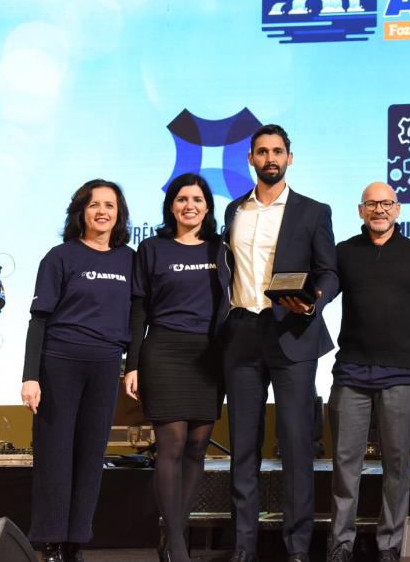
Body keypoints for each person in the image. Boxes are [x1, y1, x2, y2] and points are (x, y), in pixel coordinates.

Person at [222, 123, 338, 562]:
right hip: (242, 335)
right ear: (250, 159)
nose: (270, 158)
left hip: (293, 333)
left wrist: (313, 301)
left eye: (278, 151)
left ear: (290, 157)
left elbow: (329, 271)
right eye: (262, 152)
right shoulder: (234, 210)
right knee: (243, 449)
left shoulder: (313, 211)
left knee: (295, 448)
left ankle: (297, 551)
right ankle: (243, 549)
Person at [20, 180, 134, 562]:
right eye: (94, 204)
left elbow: (139, 318)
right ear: (81, 211)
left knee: (90, 458)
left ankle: (74, 543)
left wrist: (133, 364)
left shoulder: (128, 259)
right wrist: (30, 376)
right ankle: (51, 543)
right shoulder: (60, 256)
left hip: (105, 366)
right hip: (60, 363)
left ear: (119, 214)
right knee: (55, 456)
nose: (102, 211)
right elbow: (39, 319)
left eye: (110, 205)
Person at [327, 182, 410, 562]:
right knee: (345, 465)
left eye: (386, 204)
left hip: (400, 374)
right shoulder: (343, 253)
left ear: (398, 209)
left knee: (397, 464)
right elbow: (320, 295)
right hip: (350, 373)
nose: (379, 210)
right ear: (360, 211)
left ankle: (390, 544)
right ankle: (341, 543)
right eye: (372, 204)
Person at [123, 173, 229, 562]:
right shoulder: (152, 249)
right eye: (182, 199)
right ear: (171, 206)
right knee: (172, 444)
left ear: (207, 206)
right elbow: (139, 309)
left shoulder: (220, 249)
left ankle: (173, 535)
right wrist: (132, 364)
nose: (190, 206)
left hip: (209, 355)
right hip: (164, 350)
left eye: (197, 199)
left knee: (197, 448)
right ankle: (179, 545)